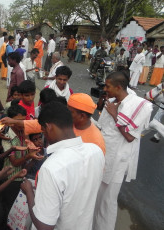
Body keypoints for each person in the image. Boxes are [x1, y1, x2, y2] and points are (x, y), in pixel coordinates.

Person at [20, 101, 105, 230]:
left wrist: (29, 192)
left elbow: (44, 226)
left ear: (48, 127)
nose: (44, 137)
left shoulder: (52, 167)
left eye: (43, 131)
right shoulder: (96, 151)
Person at [93, 72, 153, 230]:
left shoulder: (140, 106)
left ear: (118, 87)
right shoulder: (111, 101)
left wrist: (115, 115)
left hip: (117, 162)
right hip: (102, 155)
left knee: (107, 202)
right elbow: (102, 127)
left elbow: (129, 137)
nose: (105, 89)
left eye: (108, 86)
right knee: (96, 198)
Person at [1, 104, 43, 214]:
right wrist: (29, 155)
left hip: (22, 175)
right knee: (9, 207)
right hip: (11, 178)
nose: (21, 124)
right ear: (10, 121)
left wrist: (33, 157)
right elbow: (14, 162)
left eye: (23, 120)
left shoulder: (23, 132)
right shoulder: (7, 137)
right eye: (18, 121)